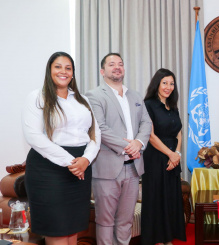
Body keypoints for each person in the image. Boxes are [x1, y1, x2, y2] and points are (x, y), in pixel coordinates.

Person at [22, 51, 101, 245]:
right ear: (50, 70)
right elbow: (34, 136)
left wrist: (86, 160)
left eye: (68, 68)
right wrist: (70, 162)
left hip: (80, 167)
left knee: (73, 228)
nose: (63, 71)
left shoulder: (82, 100)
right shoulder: (37, 97)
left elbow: (95, 134)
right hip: (48, 168)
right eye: (58, 67)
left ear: (73, 73)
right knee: (57, 229)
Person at [85, 53, 152, 245]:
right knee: (105, 221)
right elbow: (100, 128)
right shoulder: (94, 95)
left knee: (125, 220)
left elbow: (146, 123)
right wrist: (128, 146)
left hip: (133, 168)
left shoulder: (136, 95)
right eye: (112, 64)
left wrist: (138, 143)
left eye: (120, 64)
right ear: (102, 71)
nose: (117, 67)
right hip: (107, 168)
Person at [141, 68, 186, 245]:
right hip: (155, 158)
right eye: (164, 83)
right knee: (157, 200)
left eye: (171, 83)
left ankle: (168, 238)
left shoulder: (172, 105)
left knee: (170, 200)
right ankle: (157, 240)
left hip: (172, 159)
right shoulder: (148, 104)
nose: (168, 87)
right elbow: (150, 136)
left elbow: (179, 133)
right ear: (157, 84)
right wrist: (170, 154)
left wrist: (178, 154)